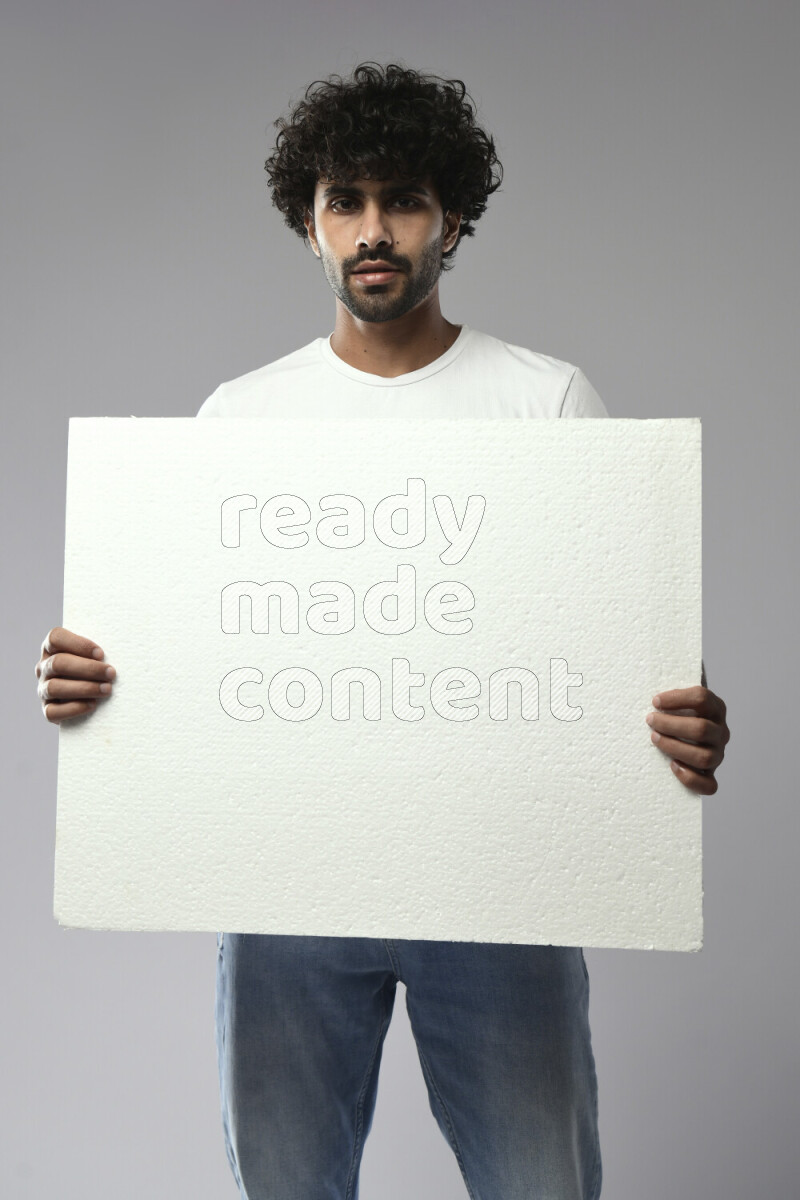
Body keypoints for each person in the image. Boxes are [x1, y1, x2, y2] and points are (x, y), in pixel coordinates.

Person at [34, 62, 730, 1200]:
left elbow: (622, 640)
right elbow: (193, 651)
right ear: (306, 226)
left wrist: (681, 720)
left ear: (450, 218)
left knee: (538, 1184)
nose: (372, 230)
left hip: (501, 884)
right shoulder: (240, 419)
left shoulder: (544, 400)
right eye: (342, 202)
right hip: (288, 885)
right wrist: (94, 687)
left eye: (401, 200)